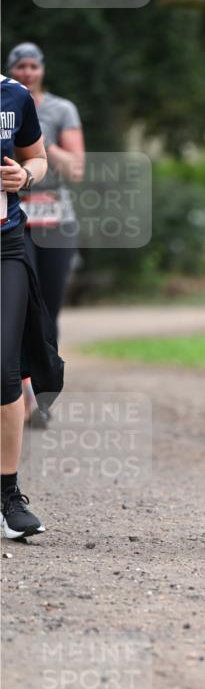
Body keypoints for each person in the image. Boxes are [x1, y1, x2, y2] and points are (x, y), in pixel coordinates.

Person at [7, 42, 84, 427]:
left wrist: (40, 141)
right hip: (14, 219)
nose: (26, 72)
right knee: (17, 306)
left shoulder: (61, 109)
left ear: (42, 70)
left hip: (55, 221)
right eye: (19, 66)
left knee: (48, 310)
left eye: (32, 66)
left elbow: (76, 169)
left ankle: (44, 399)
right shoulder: (6, 103)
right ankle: (17, 397)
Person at [1, 71, 64, 539]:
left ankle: (7, 494)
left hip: (5, 247)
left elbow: (37, 158)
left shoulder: (13, 96)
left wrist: (24, 175)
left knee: (5, 369)